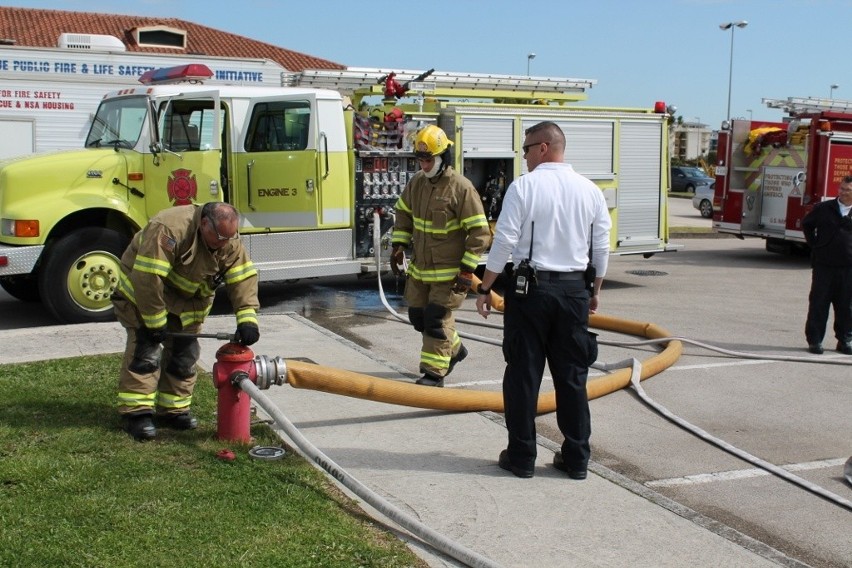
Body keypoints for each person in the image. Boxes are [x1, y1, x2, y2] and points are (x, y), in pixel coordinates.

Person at [475, 121, 611, 480]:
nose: (523, 156)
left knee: (523, 374)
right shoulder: (591, 191)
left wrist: (485, 286)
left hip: (530, 293)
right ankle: (577, 458)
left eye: (525, 149)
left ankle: (522, 456)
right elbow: (601, 248)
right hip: (574, 293)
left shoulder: (524, 188)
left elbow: (503, 243)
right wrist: (594, 290)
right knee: (572, 378)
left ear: (544, 148)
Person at [112, 202, 260, 441]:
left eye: (228, 238)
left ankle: (173, 410)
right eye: (219, 237)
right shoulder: (169, 228)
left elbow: (242, 277)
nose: (224, 243)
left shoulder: (228, 239)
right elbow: (148, 278)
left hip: (187, 304)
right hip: (144, 297)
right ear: (204, 223)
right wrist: (155, 322)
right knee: (145, 352)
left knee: (185, 354)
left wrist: (247, 319)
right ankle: (137, 414)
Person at [390, 124, 491, 387]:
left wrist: (468, 270)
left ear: (442, 157)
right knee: (418, 317)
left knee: (436, 319)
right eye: (420, 159)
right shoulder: (417, 184)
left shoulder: (461, 188)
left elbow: (480, 232)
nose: (423, 165)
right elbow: (403, 214)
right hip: (421, 270)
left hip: (449, 275)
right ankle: (455, 350)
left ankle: (434, 373)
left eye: (428, 159)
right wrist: (398, 246)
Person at [802, 175, 852, 355]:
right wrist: (815, 245)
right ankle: (815, 341)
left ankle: (845, 340)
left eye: (847, 190)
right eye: (841, 189)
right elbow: (806, 225)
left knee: (847, 306)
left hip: (848, 268)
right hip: (824, 266)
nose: (843, 192)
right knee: (819, 303)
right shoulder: (824, 208)